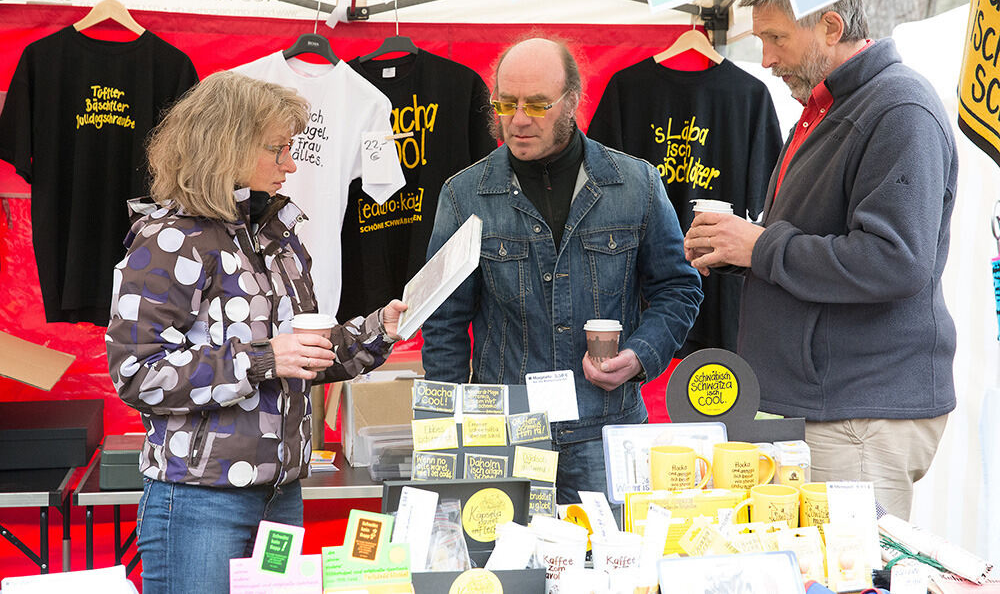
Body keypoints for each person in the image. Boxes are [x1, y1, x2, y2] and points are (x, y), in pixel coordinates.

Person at [106, 70, 407, 594]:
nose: (291, 164)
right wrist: (262, 359)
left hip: (281, 495)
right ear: (226, 147)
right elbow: (137, 375)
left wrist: (378, 329)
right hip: (201, 501)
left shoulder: (276, 237)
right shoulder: (170, 242)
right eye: (278, 149)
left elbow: (304, 355)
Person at [683, 0, 958, 520]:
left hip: (859, 411)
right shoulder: (827, 108)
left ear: (831, 27)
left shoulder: (898, 108)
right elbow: (817, 238)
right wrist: (740, 249)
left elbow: (895, 261)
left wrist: (759, 247)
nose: (764, 58)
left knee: (849, 572)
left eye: (776, 38)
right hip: (824, 404)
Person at [421, 37, 703, 504]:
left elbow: (677, 289)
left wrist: (638, 356)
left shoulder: (636, 185)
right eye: (506, 103)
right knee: (507, 574)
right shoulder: (463, 195)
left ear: (571, 102)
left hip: (605, 431)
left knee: (613, 572)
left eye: (537, 103)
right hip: (504, 435)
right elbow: (444, 322)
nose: (519, 118)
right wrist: (445, 440)